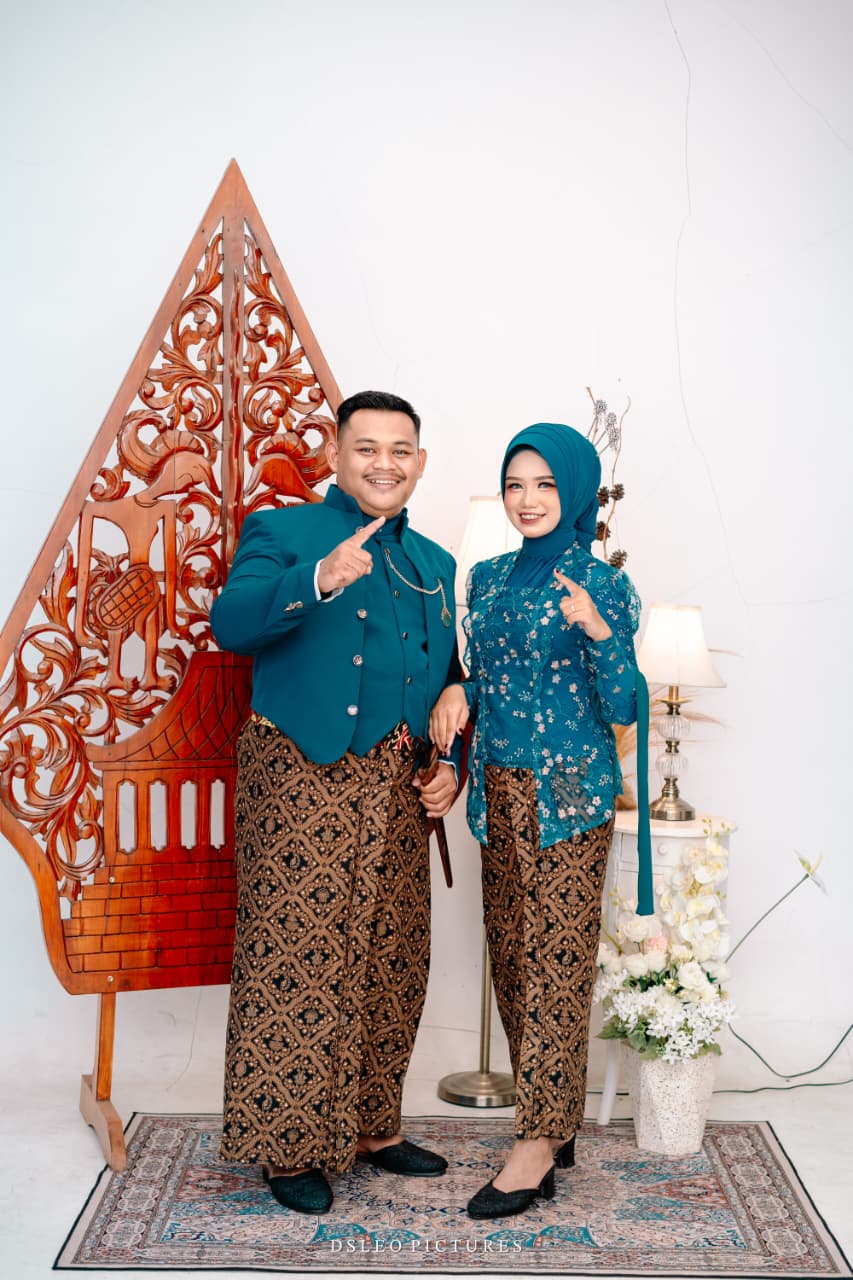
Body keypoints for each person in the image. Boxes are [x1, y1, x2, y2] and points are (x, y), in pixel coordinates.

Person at [211, 390, 461, 1215]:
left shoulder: (433, 562)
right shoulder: (281, 533)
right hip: (299, 774)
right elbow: (231, 624)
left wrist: (450, 752)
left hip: (398, 784)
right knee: (296, 956)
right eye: (366, 448)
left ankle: (371, 1130)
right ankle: (286, 1147)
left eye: (400, 450)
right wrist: (316, 579)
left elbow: (445, 673)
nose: (384, 463)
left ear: (419, 463)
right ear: (334, 455)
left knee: (394, 956)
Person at [430, 422, 652, 1220]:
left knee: (555, 964)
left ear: (577, 491)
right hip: (497, 790)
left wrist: (596, 628)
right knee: (514, 961)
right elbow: (484, 682)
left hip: (568, 797)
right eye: (514, 485)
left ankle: (533, 1145)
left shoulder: (602, 582)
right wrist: (457, 694)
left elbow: (623, 704)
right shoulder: (487, 579)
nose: (526, 500)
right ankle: (551, 1123)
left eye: (545, 485)